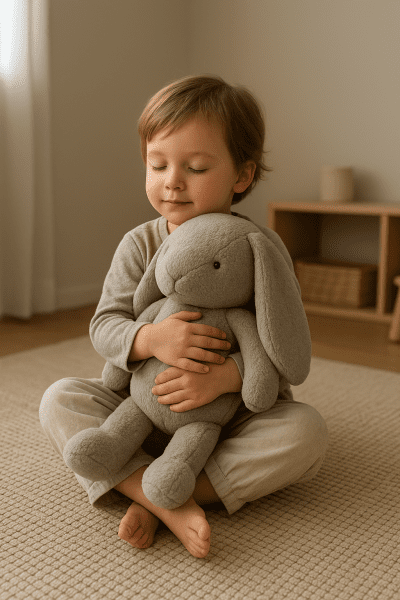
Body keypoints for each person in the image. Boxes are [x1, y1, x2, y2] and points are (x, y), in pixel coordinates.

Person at [39, 75, 328, 559]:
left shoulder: (259, 251)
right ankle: (157, 493)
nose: (171, 180)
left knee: (307, 433)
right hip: (139, 409)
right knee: (59, 398)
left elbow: (284, 344)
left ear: (242, 177)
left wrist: (229, 377)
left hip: (222, 423)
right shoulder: (140, 244)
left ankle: (170, 493)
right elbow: (105, 325)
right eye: (157, 164)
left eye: (194, 167)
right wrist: (150, 339)